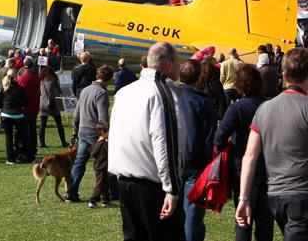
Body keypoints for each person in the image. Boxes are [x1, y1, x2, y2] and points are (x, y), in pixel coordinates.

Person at [109, 42, 186, 241]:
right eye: (178, 61)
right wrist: (172, 189)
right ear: (168, 63)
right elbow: (165, 143)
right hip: (152, 186)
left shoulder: (125, 92)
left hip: (125, 181)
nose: (180, 66)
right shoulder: (161, 92)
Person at [236, 48, 308, 239]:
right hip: (301, 195)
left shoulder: (264, 109)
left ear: (283, 76)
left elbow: (249, 156)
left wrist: (244, 197)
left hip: (275, 195)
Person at [214, 64, 273, 241]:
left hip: (242, 166)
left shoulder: (238, 108)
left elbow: (220, 136)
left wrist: (222, 150)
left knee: (243, 217)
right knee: (265, 219)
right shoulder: (269, 105)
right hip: (268, 166)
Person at [178, 59, 217, 241]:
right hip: (196, 163)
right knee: (192, 216)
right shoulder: (202, 104)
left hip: (174, 161)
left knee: (178, 214)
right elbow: (210, 138)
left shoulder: (171, 98)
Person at [65, 65, 113, 203]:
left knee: (79, 163)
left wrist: (75, 131)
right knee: (103, 164)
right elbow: (103, 118)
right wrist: (105, 135)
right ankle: (108, 195)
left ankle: (71, 193)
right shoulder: (102, 93)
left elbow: (76, 114)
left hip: (82, 131)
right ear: (109, 79)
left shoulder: (85, 90)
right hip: (95, 133)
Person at [0, 69, 29, 164]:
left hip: (6, 115)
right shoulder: (20, 89)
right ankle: (23, 154)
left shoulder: (4, 89)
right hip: (18, 115)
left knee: (9, 138)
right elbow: (26, 103)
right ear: (16, 77)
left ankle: (10, 159)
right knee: (21, 136)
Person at [17, 59, 41, 159]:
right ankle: (33, 148)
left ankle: (24, 147)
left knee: (23, 129)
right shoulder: (37, 78)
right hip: (34, 106)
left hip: (23, 107)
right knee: (32, 128)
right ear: (32, 67)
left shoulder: (20, 78)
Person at [39, 66, 68, 148]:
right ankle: (63, 142)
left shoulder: (40, 81)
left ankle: (42, 143)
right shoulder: (53, 80)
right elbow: (60, 91)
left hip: (42, 104)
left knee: (42, 125)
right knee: (59, 123)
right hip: (51, 104)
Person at [88, 120, 110, 208]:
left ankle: (106, 201)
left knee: (104, 184)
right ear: (103, 132)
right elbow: (110, 152)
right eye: (108, 131)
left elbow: (91, 151)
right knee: (100, 184)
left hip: (98, 166)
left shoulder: (97, 143)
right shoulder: (104, 144)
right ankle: (93, 200)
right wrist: (108, 143)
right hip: (103, 166)